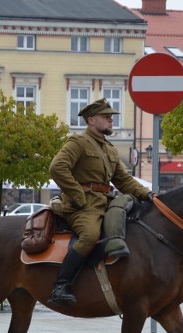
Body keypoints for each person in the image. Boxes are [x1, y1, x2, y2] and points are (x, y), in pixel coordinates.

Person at [48, 98, 153, 306]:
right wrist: (78, 195)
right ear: (91, 120)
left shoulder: (109, 149)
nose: (111, 120)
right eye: (106, 117)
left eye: (111, 117)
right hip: (81, 207)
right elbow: (57, 167)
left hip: (104, 203)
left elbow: (124, 180)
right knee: (90, 236)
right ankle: (60, 286)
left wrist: (147, 194)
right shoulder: (78, 143)